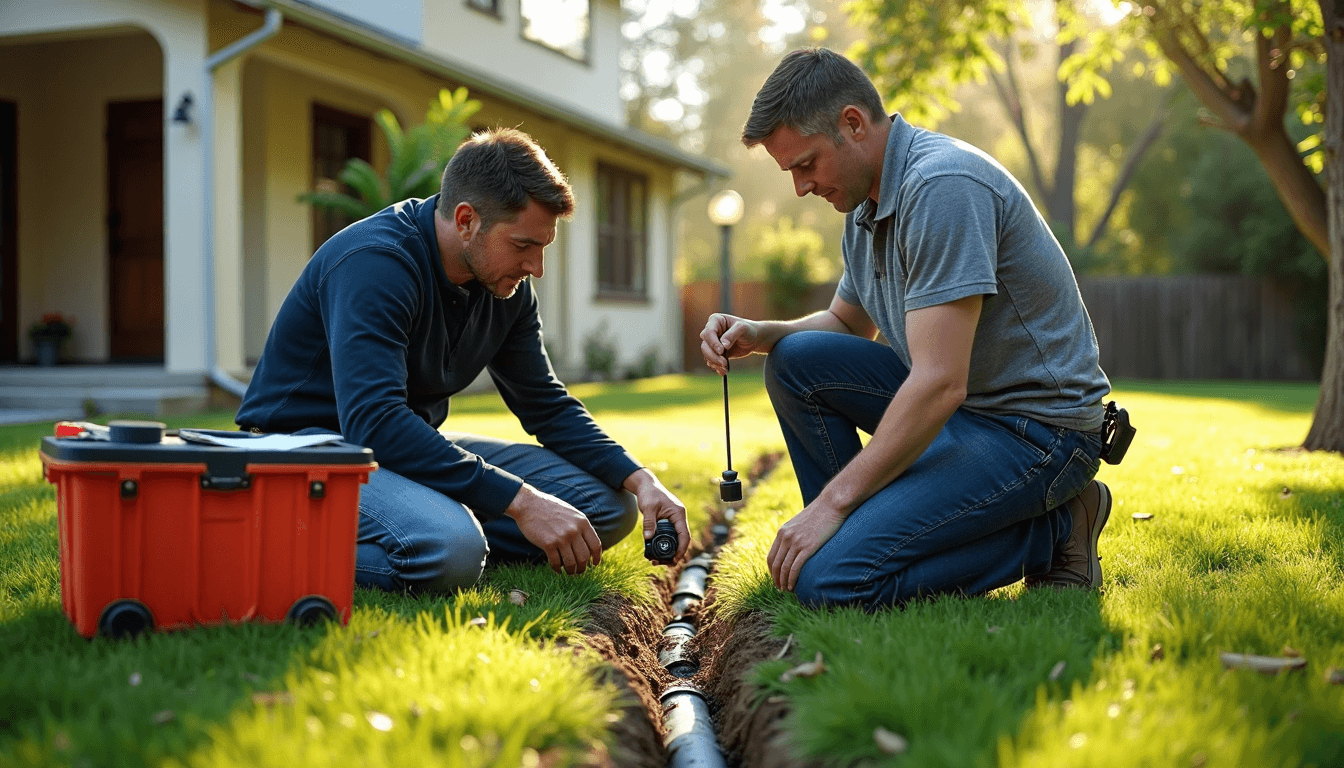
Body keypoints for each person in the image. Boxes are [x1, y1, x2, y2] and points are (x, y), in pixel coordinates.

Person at [700, 48, 1115, 609]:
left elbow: (941, 382)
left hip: (1039, 433)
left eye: (806, 164)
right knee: (797, 359)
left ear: (853, 123)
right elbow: (846, 323)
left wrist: (831, 504)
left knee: (831, 583)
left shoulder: (941, 187)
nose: (800, 186)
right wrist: (763, 332)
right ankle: (851, 537)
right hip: (970, 415)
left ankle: (1059, 527)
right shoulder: (865, 208)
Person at [238, 127, 688, 593]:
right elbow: (374, 422)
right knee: (453, 549)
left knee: (607, 508)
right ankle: (269, 540)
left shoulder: (505, 287)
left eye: (542, 247)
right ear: (466, 220)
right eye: (522, 246)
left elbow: (545, 404)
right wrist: (520, 501)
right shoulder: (375, 264)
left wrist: (642, 479)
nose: (536, 267)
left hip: (395, 450)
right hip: (303, 453)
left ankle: (435, 531)